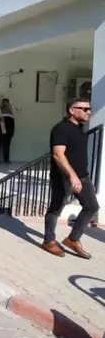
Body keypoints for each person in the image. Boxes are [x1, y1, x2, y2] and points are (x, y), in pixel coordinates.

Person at [42, 97, 98, 259]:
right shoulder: (61, 129)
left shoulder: (78, 128)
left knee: (92, 206)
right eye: (84, 109)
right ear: (72, 110)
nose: (88, 112)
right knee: (56, 208)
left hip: (82, 176)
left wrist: (79, 176)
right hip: (64, 177)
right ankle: (49, 241)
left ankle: (73, 239)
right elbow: (58, 155)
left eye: (89, 109)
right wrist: (72, 176)